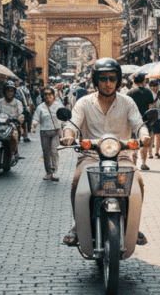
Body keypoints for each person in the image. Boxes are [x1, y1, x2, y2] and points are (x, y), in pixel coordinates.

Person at [60, 58, 150, 247]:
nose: (108, 83)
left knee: (138, 182)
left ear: (118, 80)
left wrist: (144, 135)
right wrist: (69, 135)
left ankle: (134, 224)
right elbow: (73, 124)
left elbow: (138, 123)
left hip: (122, 156)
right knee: (77, 181)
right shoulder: (84, 103)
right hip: (90, 156)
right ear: (96, 80)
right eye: (103, 79)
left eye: (112, 78)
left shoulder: (128, 102)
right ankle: (78, 224)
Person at [31, 86, 64, 181]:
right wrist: (34, 125)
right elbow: (35, 118)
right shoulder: (40, 107)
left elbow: (64, 116)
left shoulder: (58, 105)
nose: (47, 96)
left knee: (54, 151)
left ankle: (54, 171)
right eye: (45, 94)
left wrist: (64, 128)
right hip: (44, 132)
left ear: (53, 96)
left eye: (49, 94)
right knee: (46, 153)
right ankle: (48, 172)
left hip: (55, 132)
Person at [128, 72, 155, 171]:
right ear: (144, 81)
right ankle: (143, 163)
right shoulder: (148, 92)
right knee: (144, 143)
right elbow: (150, 108)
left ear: (134, 81)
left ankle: (134, 163)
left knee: (134, 141)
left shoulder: (129, 93)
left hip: (132, 121)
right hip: (145, 121)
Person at [0, 82, 24, 160]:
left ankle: (13, 152)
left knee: (14, 135)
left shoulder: (17, 103)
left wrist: (19, 117)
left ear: (14, 92)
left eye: (11, 91)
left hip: (12, 125)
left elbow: (20, 114)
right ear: (4, 91)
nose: (9, 93)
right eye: (7, 91)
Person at [148, 79, 160, 159]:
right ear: (150, 87)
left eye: (157, 86)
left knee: (158, 135)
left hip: (159, 117)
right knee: (151, 136)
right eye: (154, 86)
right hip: (152, 118)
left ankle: (157, 152)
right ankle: (150, 153)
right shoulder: (148, 94)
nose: (156, 88)